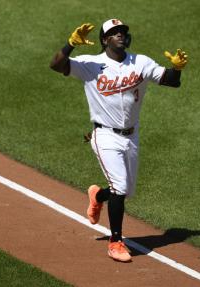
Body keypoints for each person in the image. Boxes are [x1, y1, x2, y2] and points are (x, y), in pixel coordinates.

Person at [50, 19, 188, 262]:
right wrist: (71, 44)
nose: (120, 35)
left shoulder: (140, 62)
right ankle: (116, 242)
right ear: (105, 40)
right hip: (104, 134)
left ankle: (97, 196)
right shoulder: (90, 64)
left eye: (123, 32)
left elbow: (171, 82)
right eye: (114, 33)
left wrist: (176, 69)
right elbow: (56, 65)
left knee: (124, 191)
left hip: (131, 136)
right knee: (120, 187)